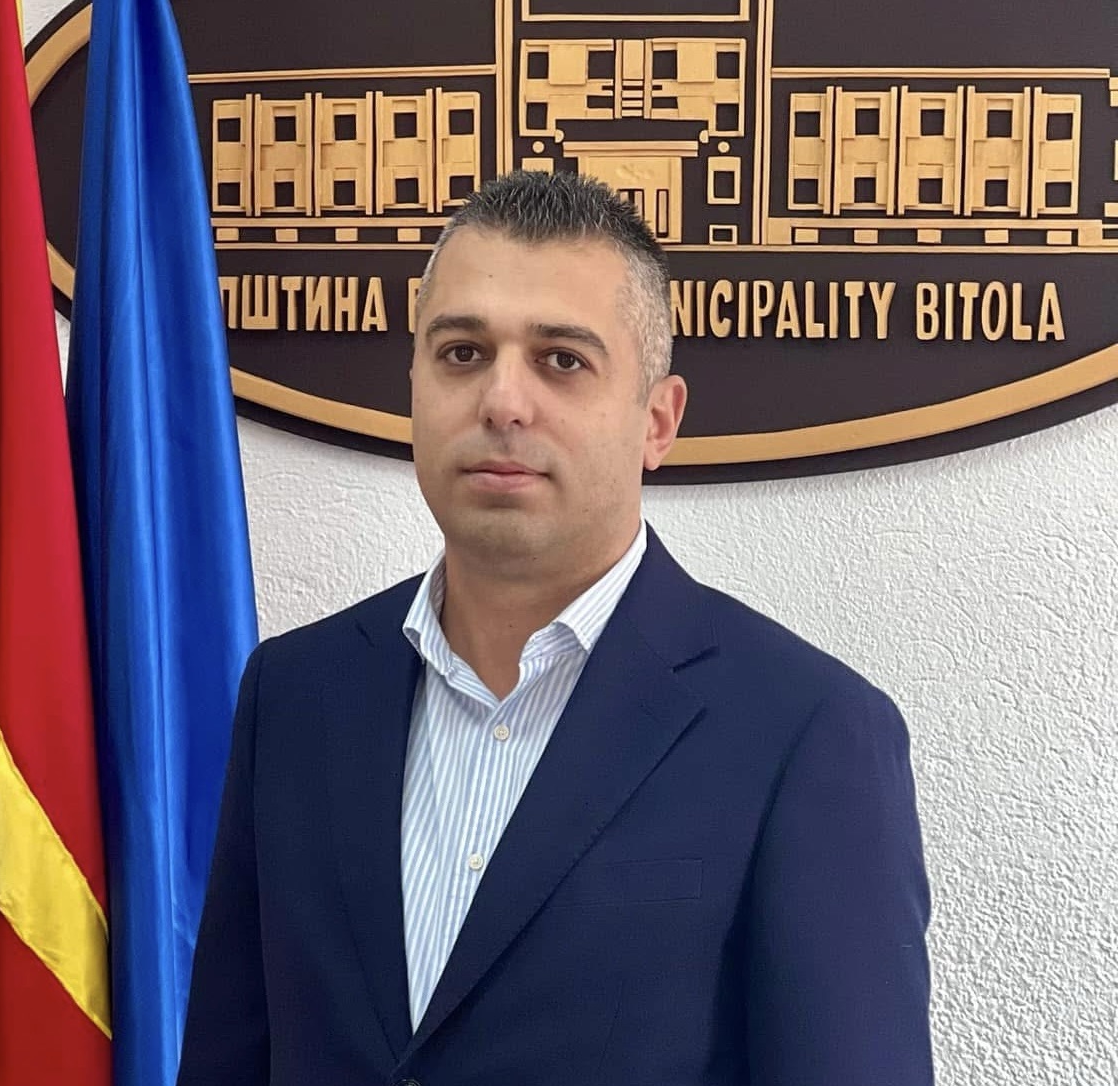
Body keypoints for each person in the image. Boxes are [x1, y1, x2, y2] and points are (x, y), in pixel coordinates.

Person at [177, 170, 933, 1085]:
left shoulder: (805, 733)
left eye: (562, 360)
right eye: (462, 353)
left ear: (658, 421)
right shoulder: (295, 694)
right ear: (414, 386)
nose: (503, 401)